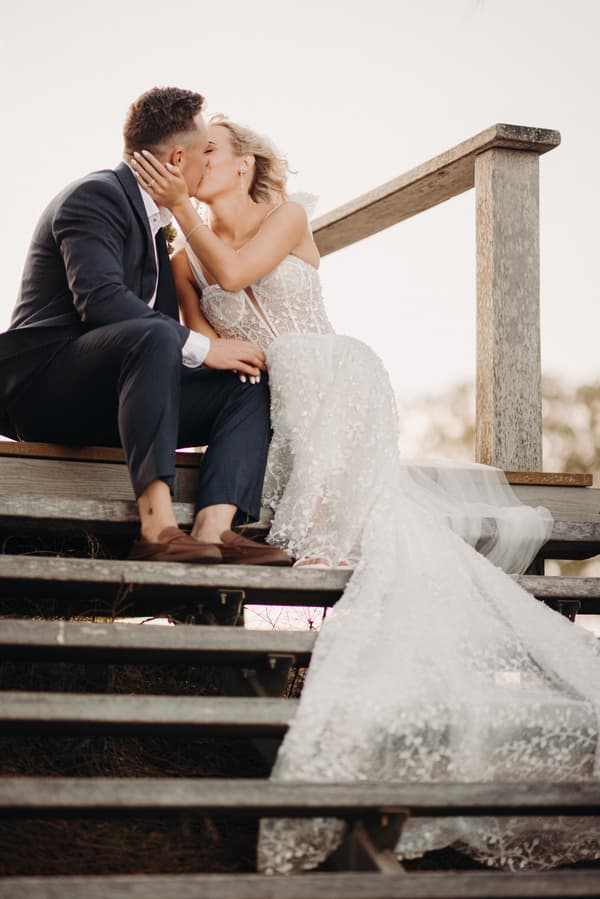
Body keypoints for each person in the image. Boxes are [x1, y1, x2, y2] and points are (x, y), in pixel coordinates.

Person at [131, 118, 600, 872]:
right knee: (266, 390)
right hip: (262, 390)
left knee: (323, 367)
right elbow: (202, 329)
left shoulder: (286, 216)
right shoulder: (183, 256)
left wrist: (180, 208)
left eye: (210, 149)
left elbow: (237, 274)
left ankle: (331, 518)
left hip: (333, 375)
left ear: (245, 159)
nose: (195, 160)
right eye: (190, 153)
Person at [0, 89, 290, 567]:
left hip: (118, 401)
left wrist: (217, 351)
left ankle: (214, 530)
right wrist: (201, 346)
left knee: (246, 381)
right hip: (46, 392)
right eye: (206, 151)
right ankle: (157, 530)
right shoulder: (95, 196)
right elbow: (101, 302)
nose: (207, 162)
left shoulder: (155, 223)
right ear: (179, 157)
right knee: (155, 333)